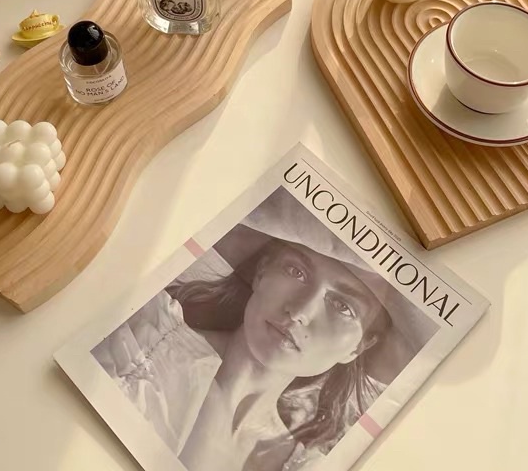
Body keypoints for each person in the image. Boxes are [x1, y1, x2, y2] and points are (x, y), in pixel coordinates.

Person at [92, 189, 436, 471]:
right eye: (296, 272)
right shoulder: (139, 342)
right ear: (261, 273)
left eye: (343, 307)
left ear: (357, 348)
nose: (300, 312)